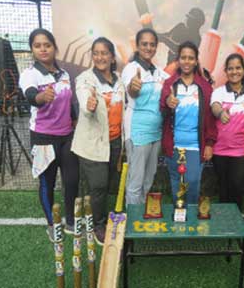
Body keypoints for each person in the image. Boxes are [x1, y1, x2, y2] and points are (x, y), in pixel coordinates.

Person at [19, 28, 79, 242]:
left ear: (54, 47)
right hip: (43, 137)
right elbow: (31, 95)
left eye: (47, 45)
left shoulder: (64, 74)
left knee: (72, 181)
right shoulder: (30, 74)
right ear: (32, 50)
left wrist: (76, 119)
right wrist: (42, 96)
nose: (43, 49)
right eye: (38, 45)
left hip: (67, 136)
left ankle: (71, 220)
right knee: (48, 182)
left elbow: (69, 103)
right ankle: (52, 225)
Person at [71, 37, 124, 245]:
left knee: (107, 183)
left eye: (104, 53)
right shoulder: (85, 79)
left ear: (112, 57)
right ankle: (97, 224)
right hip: (93, 143)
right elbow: (84, 95)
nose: (100, 57)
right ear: (92, 56)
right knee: (99, 185)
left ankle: (97, 213)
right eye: (96, 53)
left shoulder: (118, 79)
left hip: (114, 141)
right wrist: (89, 104)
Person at [160, 41, 216, 205]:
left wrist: (210, 143)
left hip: (195, 145)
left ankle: (191, 215)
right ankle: (179, 216)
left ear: (196, 61)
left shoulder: (205, 87)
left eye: (190, 58)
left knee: (192, 181)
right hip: (174, 143)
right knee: (176, 181)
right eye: (183, 57)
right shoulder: (170, 84)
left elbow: (210, 119)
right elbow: (161, 107)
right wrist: (167, 101)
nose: (186, 61)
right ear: (178, 60)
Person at [121, 28, 169, 205]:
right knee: (136, 180)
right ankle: (133, 222)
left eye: (152, 44)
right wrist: (134, 86)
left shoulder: (159, 72)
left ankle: (140, 213)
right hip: (138, 132)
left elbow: (174, 84)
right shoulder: (131, 69)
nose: (148, 48)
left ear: (156, 47)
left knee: (149, 178)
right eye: (144, 44)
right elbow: (131, 91)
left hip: (155, 132)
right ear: (138, 45)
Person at [210, 53, 244, 210]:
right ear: (226, 71)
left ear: (243, 70)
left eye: (238, 68)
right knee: (223, 185)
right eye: (230, 68)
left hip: (241, 150)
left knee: (237, 185)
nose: (234, 71)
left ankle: (235, 218)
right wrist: (220, 113)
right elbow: (215, 106)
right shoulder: (219, 91)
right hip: (220, 150)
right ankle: (223, 218)